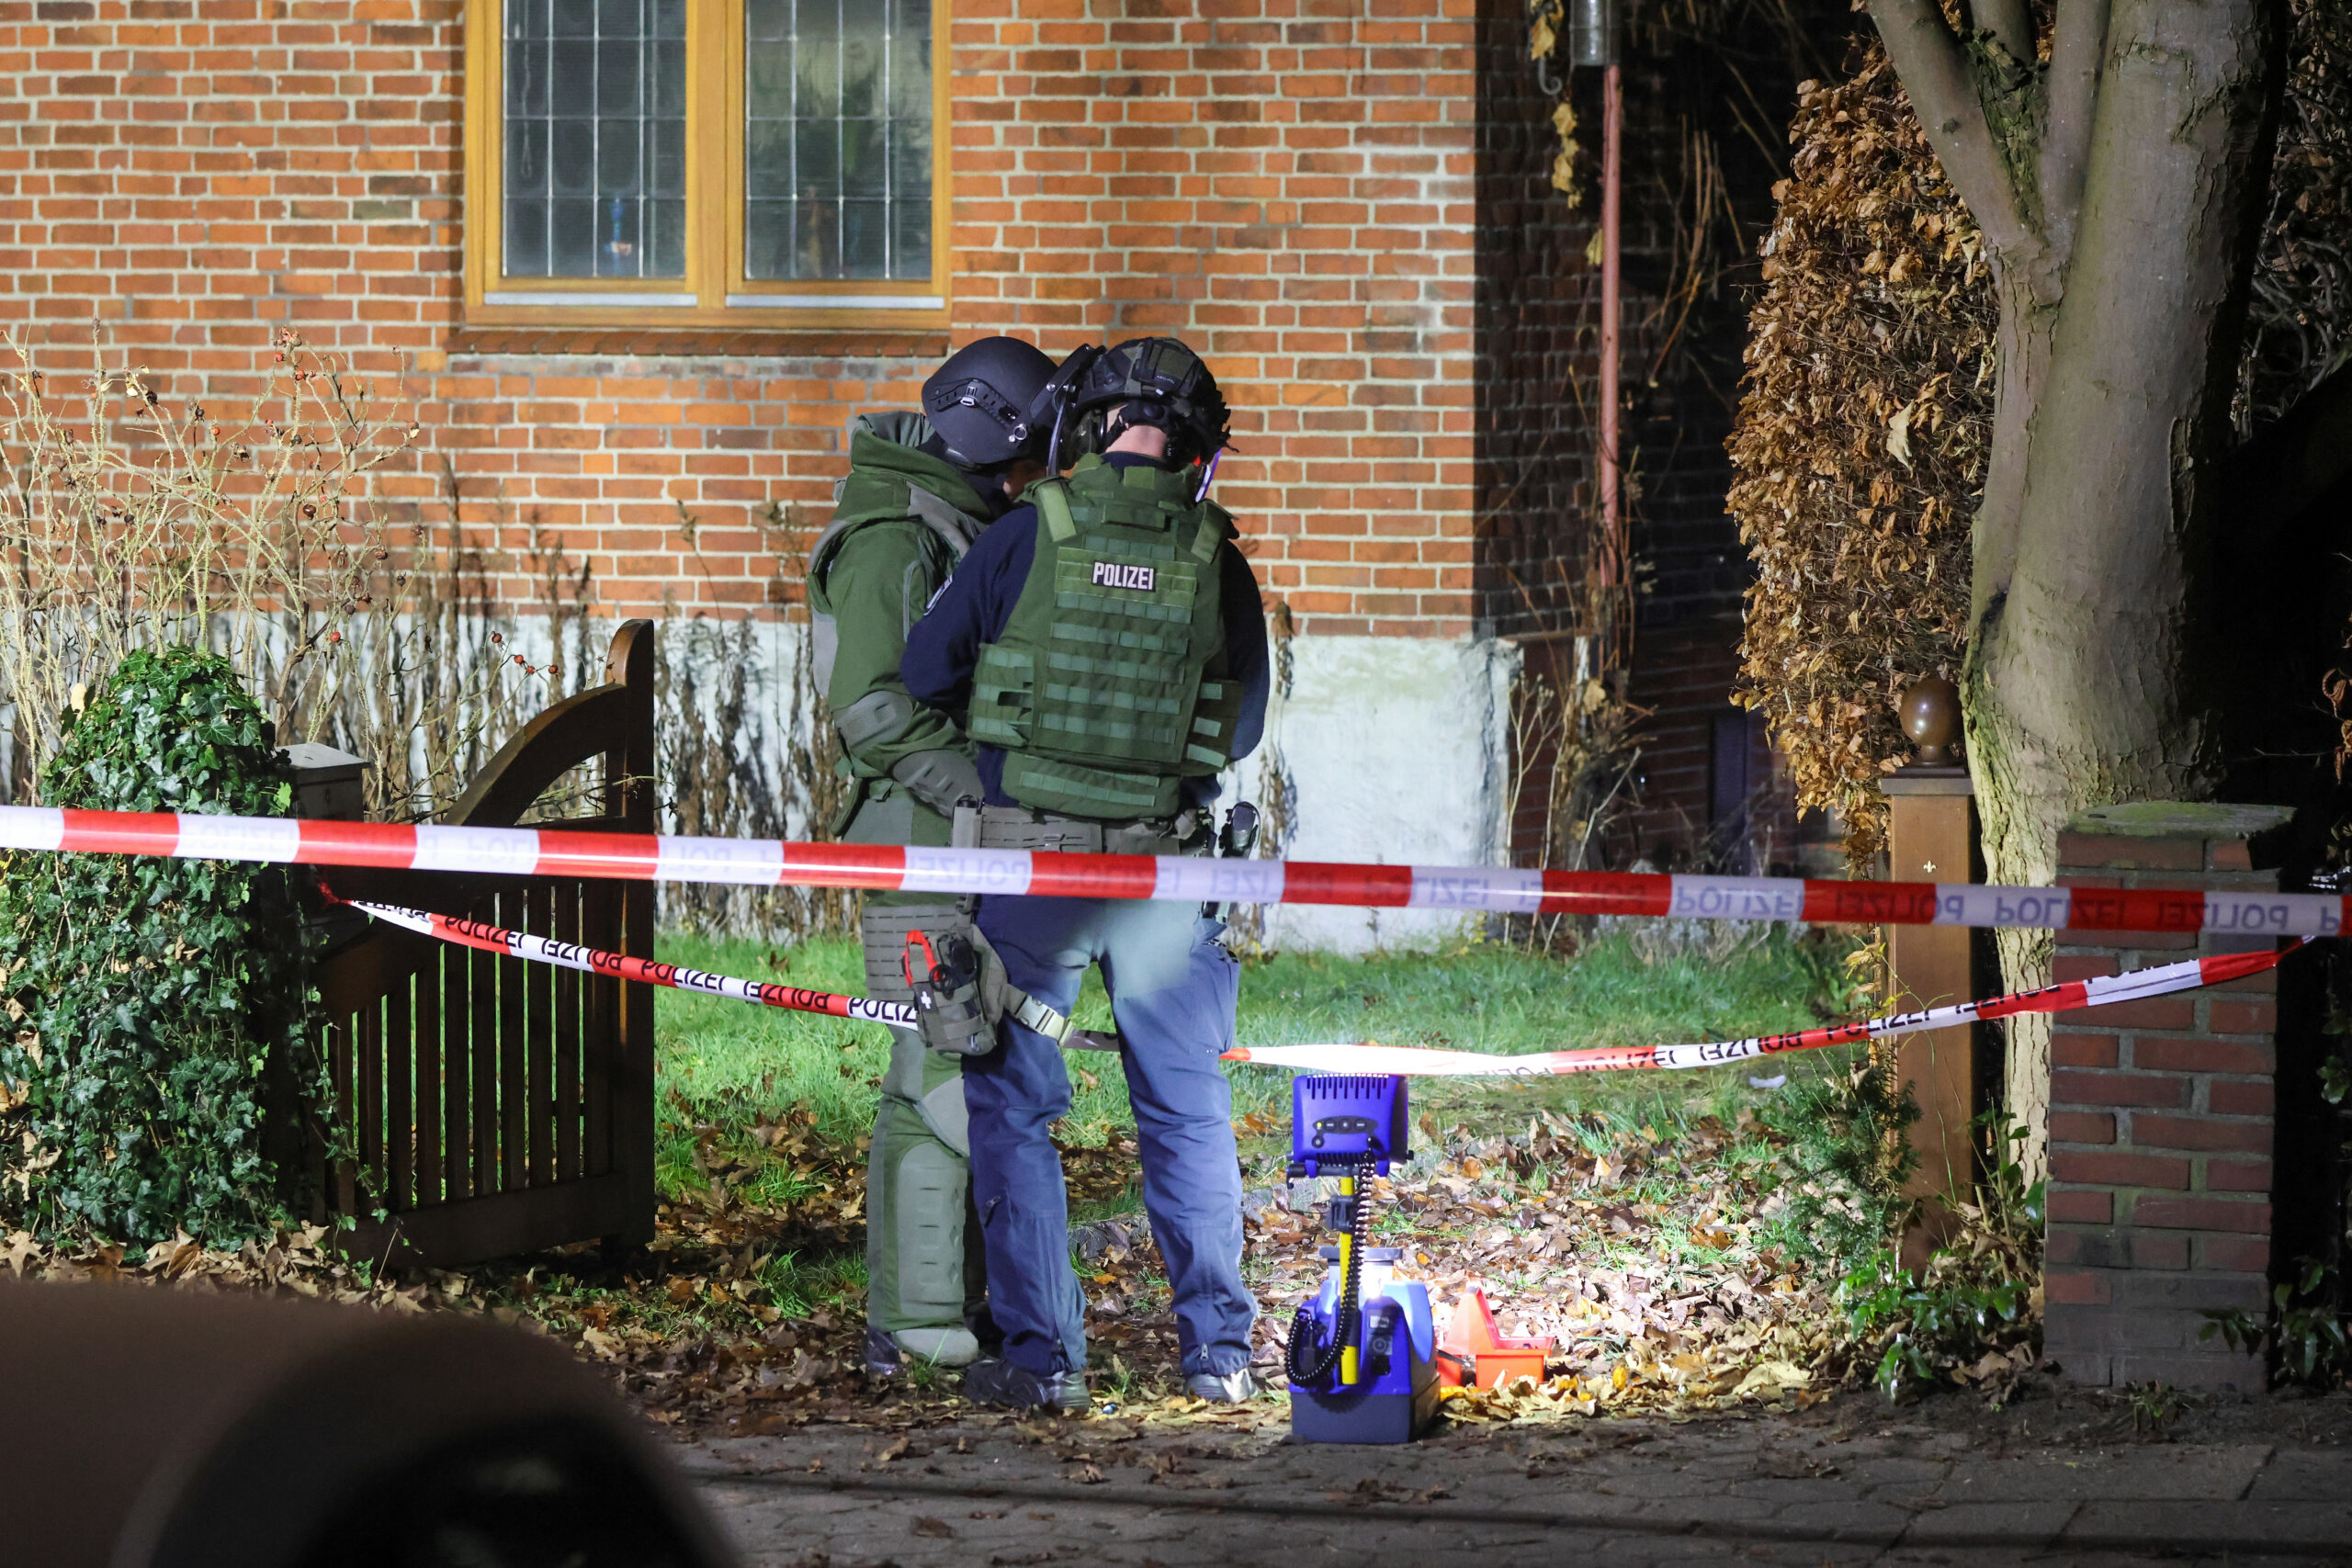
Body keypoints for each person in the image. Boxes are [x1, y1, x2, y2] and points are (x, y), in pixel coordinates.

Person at [900, 337, 1271, 1412]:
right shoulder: (1220, 557)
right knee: (1187, 1113)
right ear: (1197, 447)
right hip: (1164, 878)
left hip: (1035, 867)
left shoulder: (1025, 533)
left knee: (1012, 1106)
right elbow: (1238, 728)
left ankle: (1042, 1362)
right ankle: (1218, 1356)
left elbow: (925, 671)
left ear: (1088, 427)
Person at [804, 335, 1058, 1377]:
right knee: (939, 1078)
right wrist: (987, 792)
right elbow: (870, 709)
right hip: (919, 849)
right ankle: (914, 1330)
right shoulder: (889, 539)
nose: (1040, 468)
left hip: (966, 847)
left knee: (967, 1065)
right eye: (1029, 448)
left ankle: (956, 1314)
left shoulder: (958, 519)